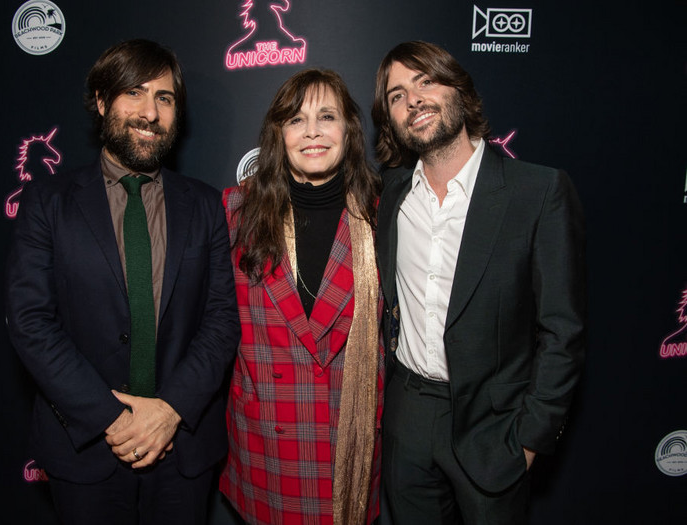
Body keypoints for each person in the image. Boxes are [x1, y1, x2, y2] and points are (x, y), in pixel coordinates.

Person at [5, 39, 240, 525]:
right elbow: (31, 322)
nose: (150, 112)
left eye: (165, 98)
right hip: (85, 446)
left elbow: (221, 320)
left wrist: (170, 411)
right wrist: (114, 420)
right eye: (134, 92)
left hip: (183, 449)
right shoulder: (48, 203)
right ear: (100, 101)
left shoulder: (205, 205)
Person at [371, 41, 586, 524]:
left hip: (495, 425)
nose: (414, 100)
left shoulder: (538, 191)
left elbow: (563, 331)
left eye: (427, 81)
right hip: (407, 414)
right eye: (397, 94)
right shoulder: (391, 193)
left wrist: (531, 438)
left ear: (460, 91)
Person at [220, 68, 384, 525]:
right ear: (278, 134)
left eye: (326, 116)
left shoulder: (382, 215)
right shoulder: (234, 213)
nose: (312, 131)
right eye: (296, 119)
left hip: (350, 445)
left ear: (349, 130)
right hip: (267, 446)